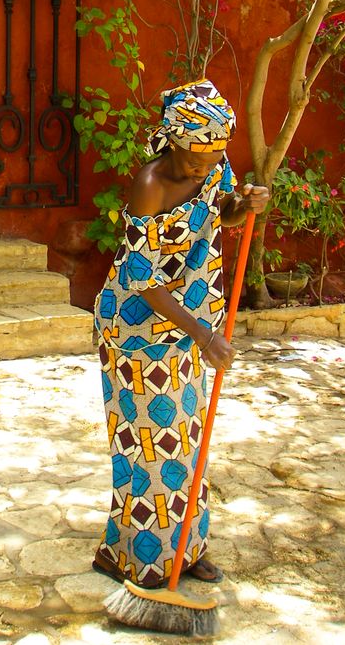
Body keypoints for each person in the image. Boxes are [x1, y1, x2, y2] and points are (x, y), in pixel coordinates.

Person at [92, 79, 270, 589]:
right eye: (196, 159)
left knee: (188, 440)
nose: (205, 168)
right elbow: (141, 279)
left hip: (189, 326)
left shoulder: (213, 163)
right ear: (173, 141)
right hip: (134, 330)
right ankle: (131, 555)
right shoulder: (149, 185)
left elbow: (224, 212)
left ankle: (186, 549)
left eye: (214, 158)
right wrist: (204, 335)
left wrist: (247, 204)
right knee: (147, 448)